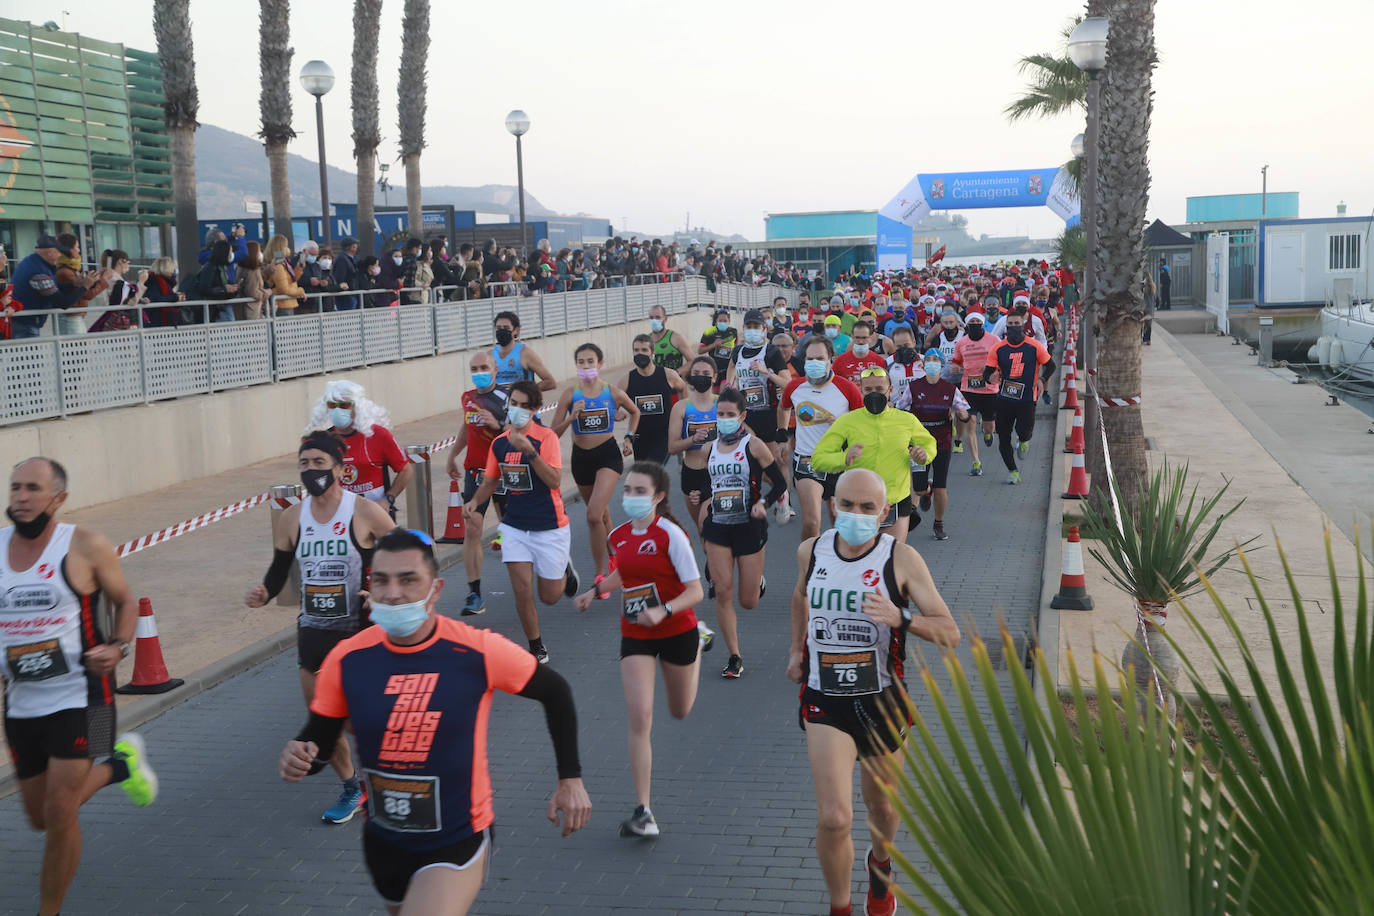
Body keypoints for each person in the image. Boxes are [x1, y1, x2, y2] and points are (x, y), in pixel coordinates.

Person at [277, 528, 592, 916]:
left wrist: (570, 780)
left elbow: (555, 692)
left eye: (408, 580)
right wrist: (301, 757)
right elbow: (320, 742)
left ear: (436, 589)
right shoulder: (347, 659)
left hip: (456, 841)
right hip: (384, 843)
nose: (393, 593)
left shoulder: (474, 650)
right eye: (382, 580)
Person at [787, 467, 960, 916]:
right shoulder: (811, 551)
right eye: (847, 505)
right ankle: (840, 907)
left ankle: (880, 865)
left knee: (881, 805)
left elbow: (950, 632)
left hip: (882, 701)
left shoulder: (901, 560)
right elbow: (800, 596)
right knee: (835, 818)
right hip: (825, 699)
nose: (856, 514)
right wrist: (796, 650)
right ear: (833, 505)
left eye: (868, 507)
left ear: (884, 512)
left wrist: (902, 618)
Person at [3, 457, 160, 916]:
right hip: (21, 703)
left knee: (59, 812)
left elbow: (124, 601)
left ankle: (48, 912)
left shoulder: (86, 545)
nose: (21, 497)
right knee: (38, 818)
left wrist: (118, 647)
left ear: (59, 498)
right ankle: (120, 766)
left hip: (87, 695)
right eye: (15, 487)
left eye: (33, 488)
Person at [244, 432, 394, 822]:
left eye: (319, 463)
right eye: (304, 463)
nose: (311, 470)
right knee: (323, 715)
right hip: (313, 632)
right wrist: (265, 592)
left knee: (360, 719)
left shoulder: (364, 511)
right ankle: (353, 788)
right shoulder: (293, 517)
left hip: (359, 633)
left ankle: (392, 774)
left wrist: (382, 591)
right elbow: (279, 569)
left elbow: (408, 554)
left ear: (339, 469)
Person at [573, 463, 706, 837]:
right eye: (628, 490)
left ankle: (700, 643)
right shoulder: (618, 535)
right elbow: (625, 573)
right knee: (640, 715)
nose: (631, 497)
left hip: (677, 628)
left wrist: (663, 610)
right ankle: (644, 811)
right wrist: (594, 591)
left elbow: (695, 591)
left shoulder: (671, 535)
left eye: (639, 491)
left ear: (658, 496)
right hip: (636, 632)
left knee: (680, 710)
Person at [465, 380, 580, 664]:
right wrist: (474, 502)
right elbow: (490, 482)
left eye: (524, 406)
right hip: (514, 526)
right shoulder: (499, 443)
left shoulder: (546, 438)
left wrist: (530, 451)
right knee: (521, 590)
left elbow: (554, 481)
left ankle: (564, 570)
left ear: (536, 409)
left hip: (549, 526)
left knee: (549, 596)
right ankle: (536, 646)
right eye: (513, 404)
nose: (516, 410)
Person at [699, 389, 789, 679]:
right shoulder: (708, 449)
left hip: (749, 526)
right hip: (718, 527)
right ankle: (734, 656)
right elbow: (709, 484)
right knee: (722, 592)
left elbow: (780, 484)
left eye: (730, 414)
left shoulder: (754, 445)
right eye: (720, 414)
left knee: (748, 601)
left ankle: (756, 580)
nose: (724, 419)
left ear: (742, 416)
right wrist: (700, 496)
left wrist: (764, 503)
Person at [811, 368, 935, 543]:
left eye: (879, 389)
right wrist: (843, 458)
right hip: (858, 504)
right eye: (868, 389)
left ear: (890, 390)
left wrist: (924, 454)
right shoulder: (846, 421)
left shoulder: (907, 420)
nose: (874, 393)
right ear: (861, 390)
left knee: (891, 555)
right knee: (860, 555)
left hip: (895, 501)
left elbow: (929, 444)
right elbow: (818, 459)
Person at [553, 343, 640, 590]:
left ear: (600, 364)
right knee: (601, 515)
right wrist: (571, 418)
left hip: (607, 456)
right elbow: (552, 433)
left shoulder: (612, 392)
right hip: (581, 458)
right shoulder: (570, 395)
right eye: (581, 362)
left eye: (590, 361)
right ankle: (615, 557)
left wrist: (629, 438)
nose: (586, 366)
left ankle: (599, 575)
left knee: (593, 515)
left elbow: (635, 412)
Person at [778, 337, 864, 540]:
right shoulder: (795, 387)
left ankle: (838, 557)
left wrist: (843, 425)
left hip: (838, 461)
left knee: (839, 522)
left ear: (830, 359)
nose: (814, 363)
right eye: (810, 359)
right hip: (807, 460)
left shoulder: (847, 388)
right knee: (812, 523)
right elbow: (784, 407)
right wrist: (781, 435)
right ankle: (809, 559)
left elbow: (862, 424)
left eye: (819, 358)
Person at [446, 351, 510, 617]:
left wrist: (498, 425)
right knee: (472, 528)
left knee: (518, 530)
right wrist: (453, 455)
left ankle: (557, 564)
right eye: (474, 369)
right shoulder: (467, 398)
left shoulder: (508, 397)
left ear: (495, 369)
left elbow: (523, 432)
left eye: (484, 367)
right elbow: (467, 427)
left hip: (505, 471)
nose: (479, 372)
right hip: (476, 472)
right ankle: (475, 594)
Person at [305, 380, 413, 518]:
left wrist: (388, 499)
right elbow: (315, 478)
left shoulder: (378, 435)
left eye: (344, 405)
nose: (337, 410)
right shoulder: (323, 441)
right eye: (332, 405)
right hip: (338, 517)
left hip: (375, 515)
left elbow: (406, 470)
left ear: (357, 407)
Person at [982, 311, 1056, 485]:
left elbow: (1051, 366)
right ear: (1006, 326)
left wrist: (1042, 379)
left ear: (1023, 324)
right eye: (1010, 324)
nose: (1014, 327)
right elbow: (987, 371)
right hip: (1005, 398)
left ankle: (1023, 440)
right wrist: (990, 377)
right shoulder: (998, 348)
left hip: (1027, 398)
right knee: (1003, 436)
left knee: (1024, 431)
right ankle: (1012, 471)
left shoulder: (1034, 346)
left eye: (1017, 323)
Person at [909, 350, 971, 541]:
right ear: (923, 364)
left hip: (942, 442)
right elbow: (900, 409)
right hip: (919, 444)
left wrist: (962, 415)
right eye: (928, 360)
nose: (931, 363)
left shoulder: (950, 389)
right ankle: (926, 491)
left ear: (941, 364)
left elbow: (965, 413)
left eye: (935, 360)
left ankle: (938, 523)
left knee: (941, 486)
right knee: (918, 489)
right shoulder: (913, 387)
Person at [667, 356, 719, 542]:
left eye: (705, 373)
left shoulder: (723, 404)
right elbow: (672, 447)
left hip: (719, 473)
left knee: (718, 526)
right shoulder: (681, 407)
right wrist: (692, 439)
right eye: (696, 373)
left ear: (714, 377)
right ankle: (712, 560)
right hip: (692, 474)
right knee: (703, 530)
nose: (701, 377)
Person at [723, 309, 791, 448]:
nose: (752, 330)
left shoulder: (771, 351)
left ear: (764, 328)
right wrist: (729, 384)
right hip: (745, 413)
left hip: (768, 415)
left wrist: (767, 372)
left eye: (756, 326)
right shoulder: (738, 351)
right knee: (748, 454)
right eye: (749, 327)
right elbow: (731, 366)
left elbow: (788, 385)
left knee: (770, 457)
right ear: (743, 328)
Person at [948, 312, 1001, 477]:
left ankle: (988, 433)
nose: (975, 324)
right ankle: (976, 462)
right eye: (972, 321)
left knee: (989, 426)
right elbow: (956, 361)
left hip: (989, 389)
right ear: (967, 324)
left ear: (983, 323)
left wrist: (992, 368)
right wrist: (955, 367)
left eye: (978, 321)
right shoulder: (961, 343)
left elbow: (1002, 360)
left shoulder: (994, 340)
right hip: (969, 388)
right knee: (970, 423)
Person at [626, 333, 687, 465]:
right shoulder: (628, 379)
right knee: (644, 473)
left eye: (644, 350)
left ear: (653, 353)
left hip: (664, 435)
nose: (640, 354)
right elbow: (614, 400)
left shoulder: (668, 375)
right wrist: (616, 412)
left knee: (653, 468)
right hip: (640, 437)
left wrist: (683, 413)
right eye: (636, 350)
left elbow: (683, 388)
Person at [492, 310, 557, 391]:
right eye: (498, 328)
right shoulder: (490, 355)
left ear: (516, 330)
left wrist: (525, 392)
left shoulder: (525, 353)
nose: (502, 331)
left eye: (506, 328)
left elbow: (550, 382)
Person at [832, 320, 886, 385]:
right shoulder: (840, 361)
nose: (860, 341)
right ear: (852, 337)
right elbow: (834, 384)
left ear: (870, 338)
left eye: (864, 338)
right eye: (857, 337)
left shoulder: (880, 361)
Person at [646, 303, 689, 370]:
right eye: (651, 318)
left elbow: (692, 361)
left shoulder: (676, 338)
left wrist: (676, 373)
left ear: (665, 319)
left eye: (658, 317)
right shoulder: (646, 341)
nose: (654, 321)